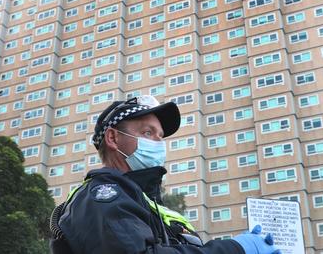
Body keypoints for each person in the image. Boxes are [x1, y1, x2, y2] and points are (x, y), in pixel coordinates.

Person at [50, 95, 280, 254]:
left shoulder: (150, 205)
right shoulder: (101, 195)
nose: (159, 142)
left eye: (160, 135)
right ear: (113, 138)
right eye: (147, 132)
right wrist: (236, 249)